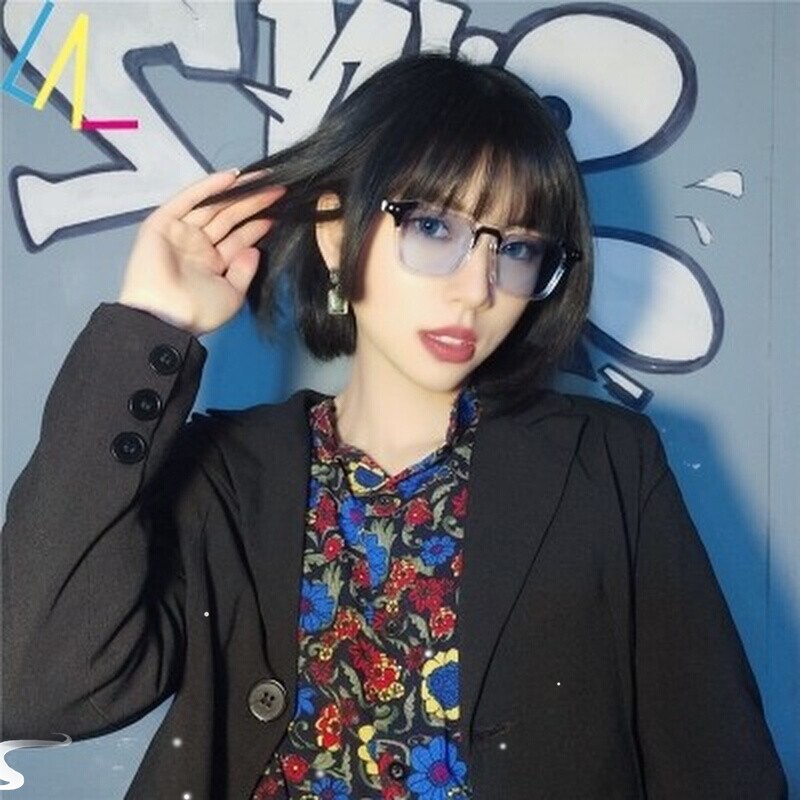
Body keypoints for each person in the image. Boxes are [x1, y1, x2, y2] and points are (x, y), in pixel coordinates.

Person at [1, 53, 787, 800]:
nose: (477, 289)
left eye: (516, 248)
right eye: (434, 228)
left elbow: (721, 771)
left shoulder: (603, 464)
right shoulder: (229, 474)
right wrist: (151, 326)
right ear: (336, 229)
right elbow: (35, 686)